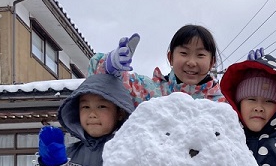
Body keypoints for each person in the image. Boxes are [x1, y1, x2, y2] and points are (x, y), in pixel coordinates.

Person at [88, 24, 225, 105]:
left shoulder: (223, 103)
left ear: (212, 62)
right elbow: (100, 83)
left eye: (200, 55)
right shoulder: (148, 92)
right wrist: (110, 64)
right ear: (170, 57)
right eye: (184, 53)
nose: (191, 62)